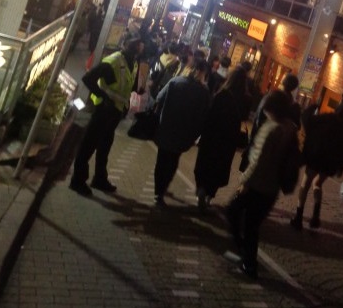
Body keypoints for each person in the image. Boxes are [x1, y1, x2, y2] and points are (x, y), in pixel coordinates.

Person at [224, 89, 295, 278]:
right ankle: (248, 260)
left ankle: (248, 261)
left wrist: (244, 182)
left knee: (234, 213)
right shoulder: (290, 128)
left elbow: (258, 161)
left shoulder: (270, 128)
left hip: (257, 185)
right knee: (251, 225)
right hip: (272, 187)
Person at [70, 37, 144, 197]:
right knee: (89, 145)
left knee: (105, 146)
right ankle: (77, 180)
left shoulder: (133, 62)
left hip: (116, 112)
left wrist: (136, 92)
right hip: (103, 110)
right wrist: (103, 97)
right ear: (133, 47)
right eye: (139, 46)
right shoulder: (114, 61)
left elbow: (127, 85)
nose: (141, 49)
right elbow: (88, 78)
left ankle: (99, 179)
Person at [290, 93, 343, 230]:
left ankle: (298, 217)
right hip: (330, 163)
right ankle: (316, 214)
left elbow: (308, 120)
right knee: (317, 184)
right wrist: (341, 166)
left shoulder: (330, 118)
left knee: (305, 184)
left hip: (316, 157)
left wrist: (313, 106)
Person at [153, 58, 210, 207]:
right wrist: (195, 135)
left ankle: (158, 191)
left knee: (161, 161)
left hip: (165, 127)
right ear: (203, 73)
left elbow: (159, 98)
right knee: (172, 162)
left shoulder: (175, 82)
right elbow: (203, 117)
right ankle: (162, 189)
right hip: (183, 134)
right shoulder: (203, 92)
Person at [194, 65, 249, 210]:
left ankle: (201, 189)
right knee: (220, 167)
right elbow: (244, 118)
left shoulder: (221, 93)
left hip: (212, 135)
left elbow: (210, 113)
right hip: (228, 140)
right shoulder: (244, 99)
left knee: (205, 162)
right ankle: (209, 196)